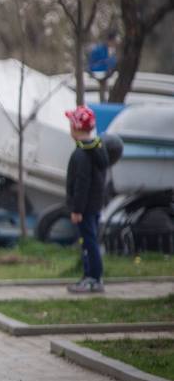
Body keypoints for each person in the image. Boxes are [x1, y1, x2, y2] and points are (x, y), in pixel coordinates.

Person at [64, 104, 109, 294]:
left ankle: (93, 278)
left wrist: (77, 209)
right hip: (95, 205)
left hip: (85, 209)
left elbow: (81, 184)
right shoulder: (96, 149)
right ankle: (89, 276)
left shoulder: (81, 154)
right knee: (89, 241)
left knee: (88, 243)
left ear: (75, 128)